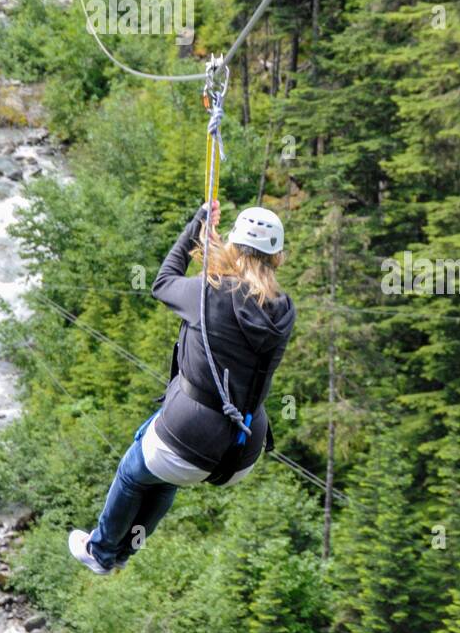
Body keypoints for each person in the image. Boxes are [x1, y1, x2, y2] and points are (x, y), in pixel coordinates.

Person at [68, 199, 296, 574]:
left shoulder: (208, 292)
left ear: (236, 248)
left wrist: (196, 226)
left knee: (135, 470)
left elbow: (163, 281)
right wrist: (215, 257)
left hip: (191, 434)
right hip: (243, 450)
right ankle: (125, 550)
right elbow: (240, 298)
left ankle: (104, 552)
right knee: (165, 477)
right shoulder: (283, 310)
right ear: (278, 258)